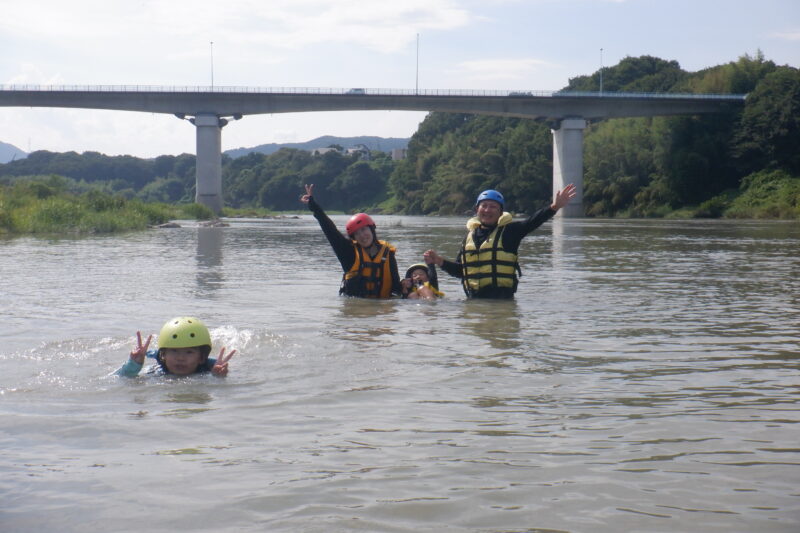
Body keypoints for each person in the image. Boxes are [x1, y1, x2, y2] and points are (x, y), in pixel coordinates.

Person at [424, 184, 577, 299]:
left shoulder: (510, 232)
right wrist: (439, 261)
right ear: (477, 209)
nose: (487, 210)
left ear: (500, 211)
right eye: (484, 206)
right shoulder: (469, 238)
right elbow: (461, 271)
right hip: (473, 303)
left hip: (502, 302)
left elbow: (532, 222)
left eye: (493, 207)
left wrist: (554, 207)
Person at [300, 183, 402, 298]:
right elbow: (330, 230)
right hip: (355, 312)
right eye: (357, 233)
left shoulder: (388, 253)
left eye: (364, 230)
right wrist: (313, 206)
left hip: (382, 310)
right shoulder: (348, 253)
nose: (362, 236)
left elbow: (396, 287)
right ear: (354, 238)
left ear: (372, 228)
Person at [115, 316, 235, 377]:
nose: (180, 358)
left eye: (189, 352)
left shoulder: (208, 371)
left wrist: (217, 377)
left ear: (201, 358)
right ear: (164, 355)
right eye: (174, 351)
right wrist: (134, 365)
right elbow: (119, 379)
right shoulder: (156, 373)